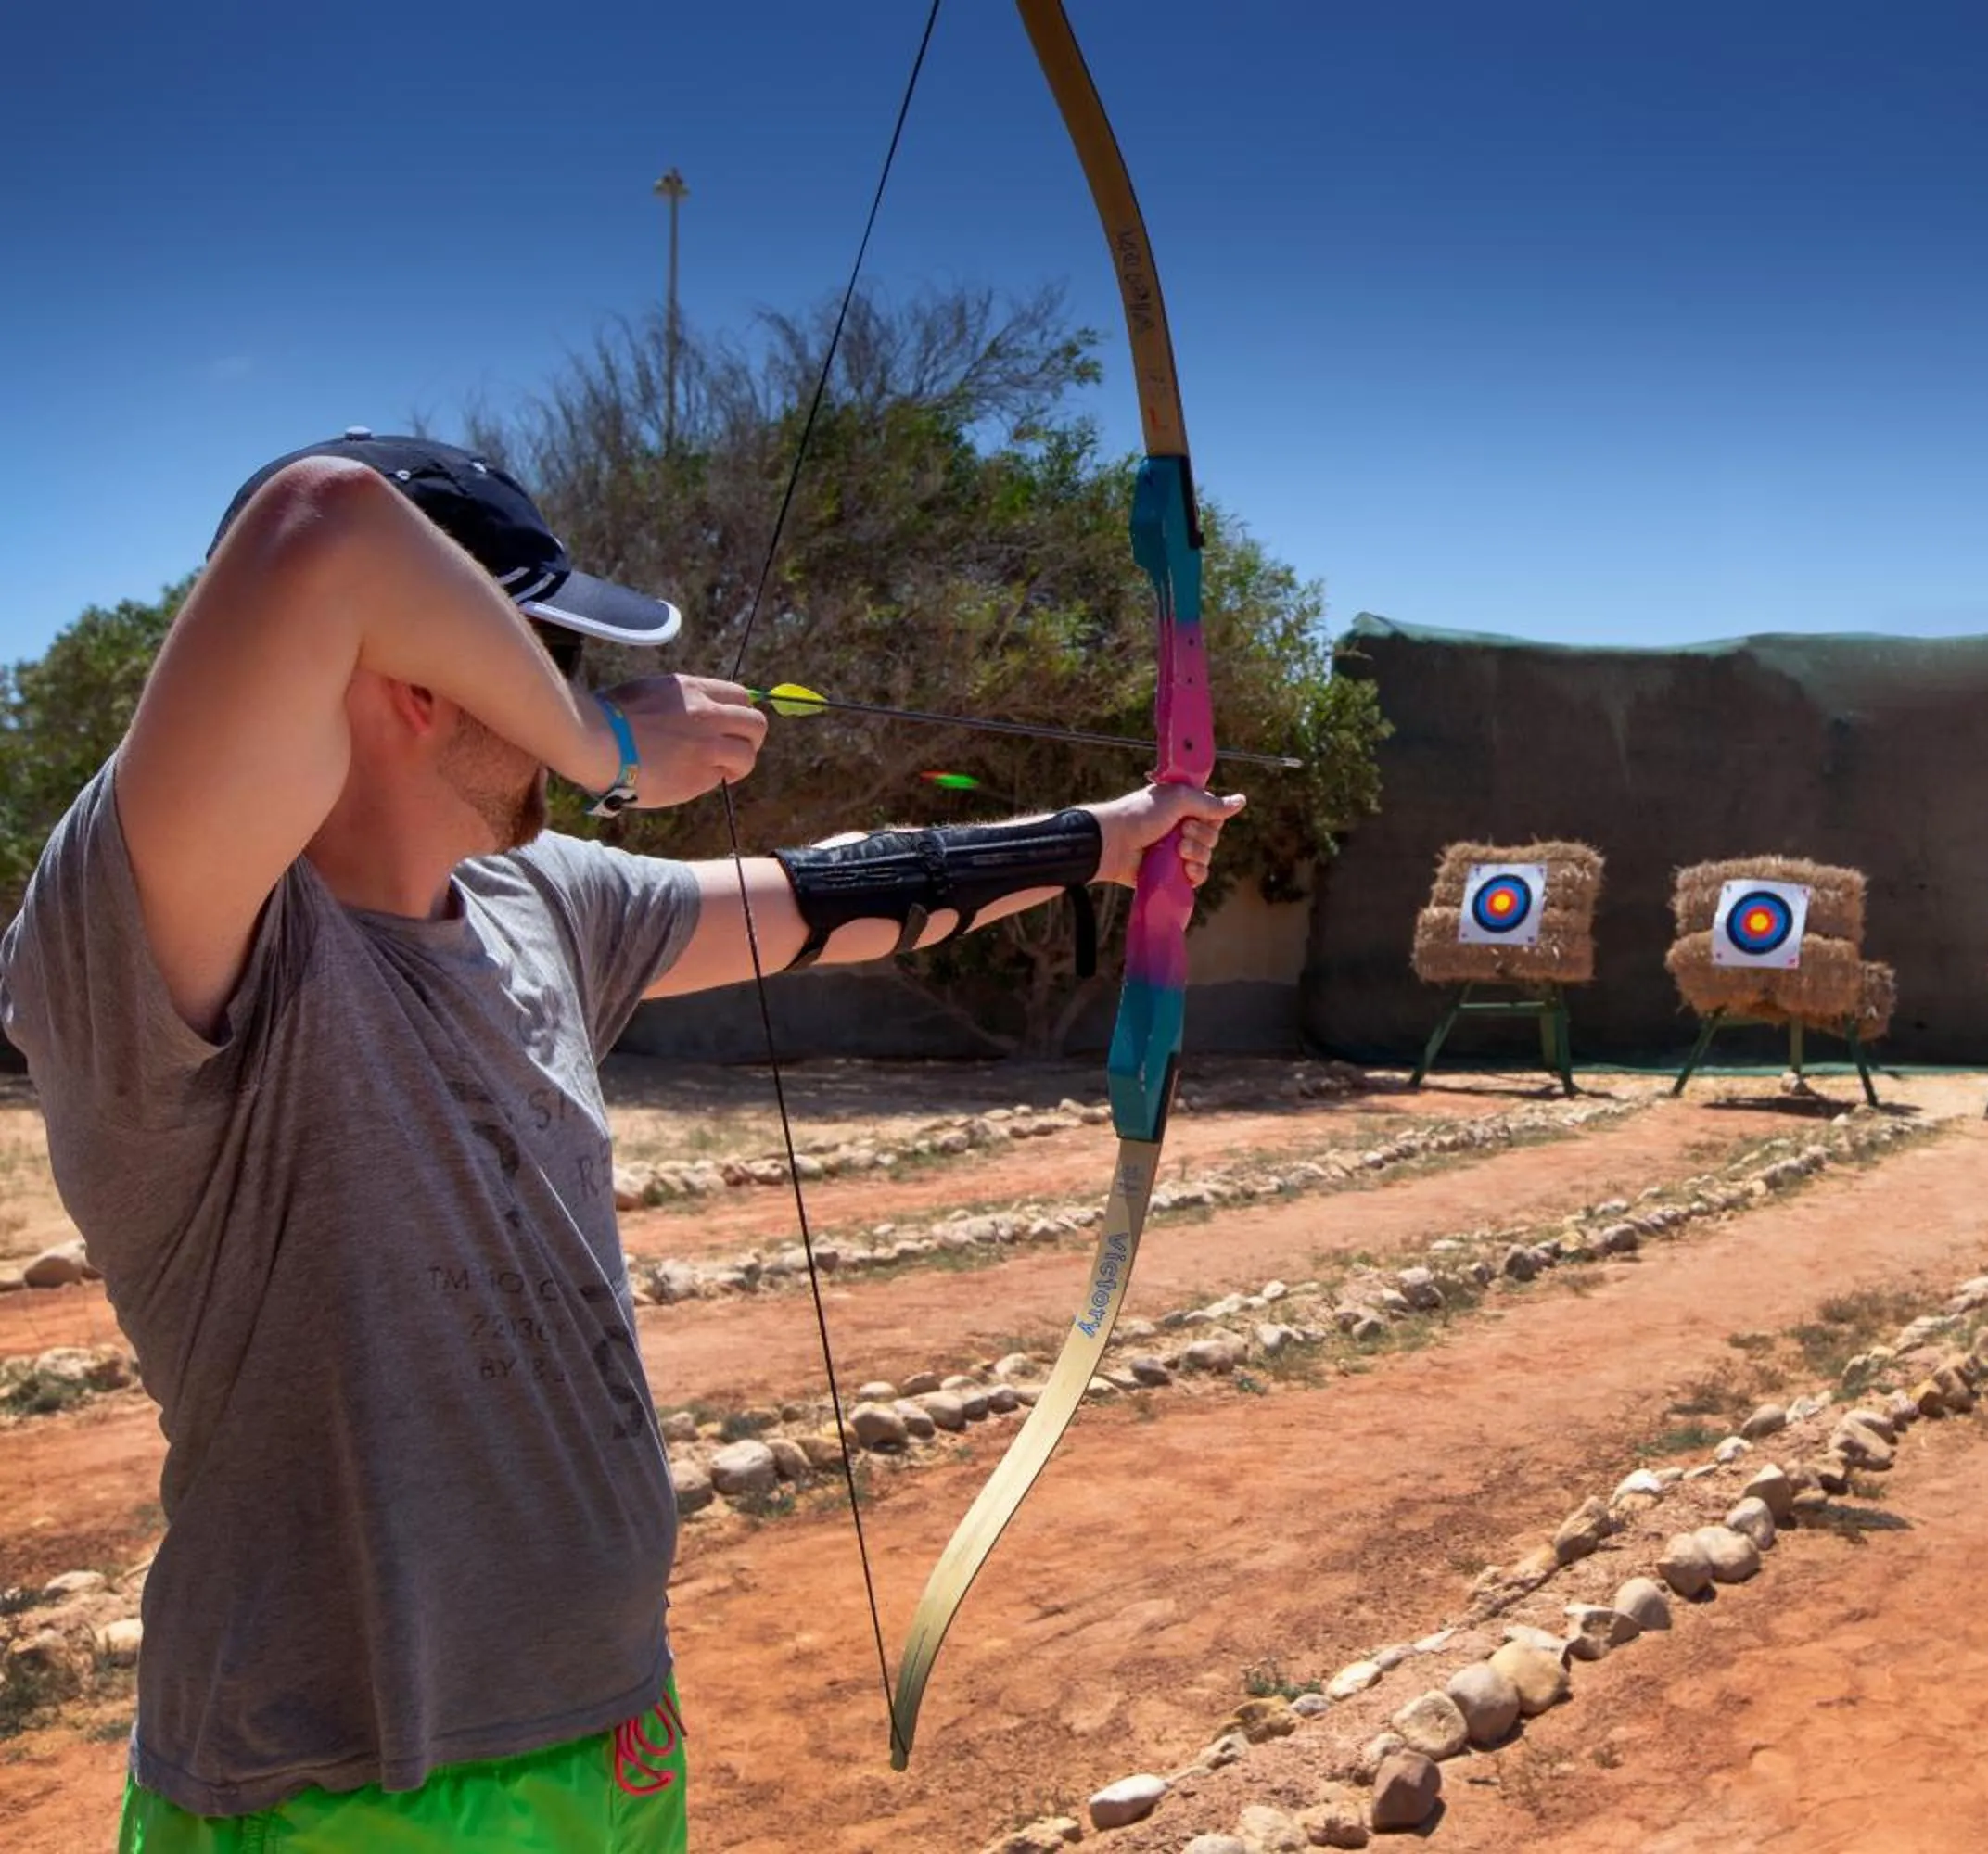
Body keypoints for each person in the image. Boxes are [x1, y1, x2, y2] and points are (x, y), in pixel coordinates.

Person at [0, 429, 1244, 1852]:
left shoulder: (542, 900)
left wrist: (1114, 839)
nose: (578, 703)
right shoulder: (167, 943)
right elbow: (323, 525)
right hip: (343, 1788)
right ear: (418, 677)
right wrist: (609, 751)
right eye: (550, 667)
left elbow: (831, 895)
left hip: (612, 1735)